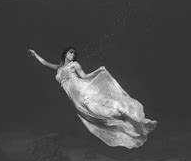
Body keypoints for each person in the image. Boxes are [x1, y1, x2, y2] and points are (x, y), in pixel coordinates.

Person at [28, 47, 157, 148]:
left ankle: (139, 123)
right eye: (70, 52)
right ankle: (133, 123)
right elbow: (45, 63)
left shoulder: (75, 65)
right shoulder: (59, 67)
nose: (72, 55)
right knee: (100, 118)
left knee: (107, 110)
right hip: (76, 100)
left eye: (74, 53)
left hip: (84, 91)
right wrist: (35, 54)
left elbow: (84, 77)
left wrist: (98, 71)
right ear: (65, 54)